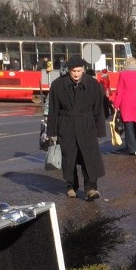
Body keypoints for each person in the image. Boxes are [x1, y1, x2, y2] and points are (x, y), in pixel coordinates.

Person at [46, 55, 108, 200]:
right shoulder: (57, 85)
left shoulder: (93, 85)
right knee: (69, 158)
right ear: (68, 70)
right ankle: (71, 186)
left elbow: (99, 109)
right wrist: (52, 131)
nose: (75, 74)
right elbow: (53, 110)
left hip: (87, 125)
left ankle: (91, 188)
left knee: (89, 157)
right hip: (66, 125)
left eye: (79, 71)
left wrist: (99, 129)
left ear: (83, 70)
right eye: (73, 71)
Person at [113, 57, 136, 155]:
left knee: (128, 126)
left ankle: (132, 149)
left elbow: (119, 91)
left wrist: (116, 104)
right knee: (133, 124)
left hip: (125, 102)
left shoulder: (123, 74)